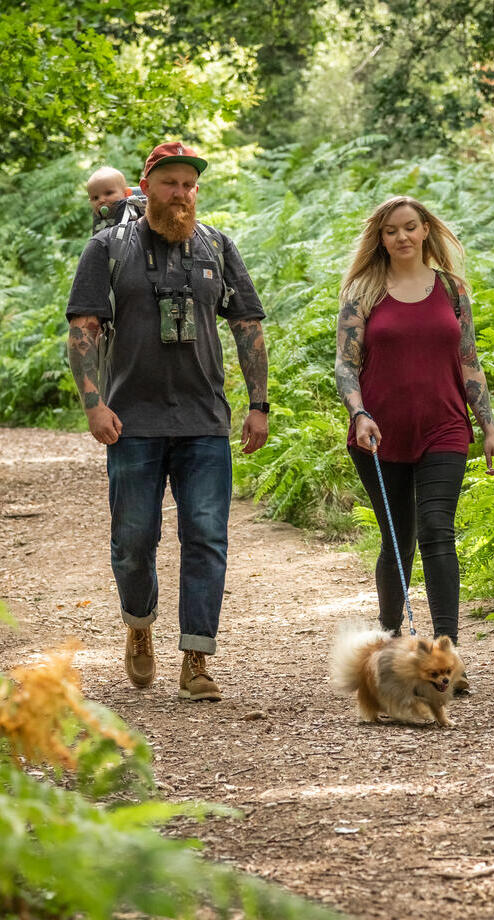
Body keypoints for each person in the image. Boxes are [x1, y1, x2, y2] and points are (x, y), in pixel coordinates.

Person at [67, 141, 269, 702]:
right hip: (131, 421)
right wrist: (93, 403)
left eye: (190, 184)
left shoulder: (217, 246)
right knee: (134, 540)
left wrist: (259, 404)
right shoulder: (108, 248)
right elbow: (83, 327)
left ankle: (197, 658)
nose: (181, 193)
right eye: (170, 182)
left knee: (206, 537)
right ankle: (139, 626)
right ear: (146, 184)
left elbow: (247, 324)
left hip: (205, 421)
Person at [335, 195, 494, 663]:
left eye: (410, 227)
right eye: (391, 231)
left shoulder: (452, 289)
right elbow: (345, 367)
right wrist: (359, 413)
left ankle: (446, 653)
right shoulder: (363, 291)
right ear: (381, 238)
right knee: (398, 539)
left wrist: (487, 427)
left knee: (437, 530)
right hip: (378, 432)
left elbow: (469, 360)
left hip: (445, 426)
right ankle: (392, 643)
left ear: (426, 229)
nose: (402, 237)